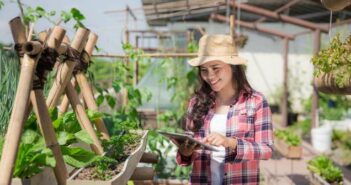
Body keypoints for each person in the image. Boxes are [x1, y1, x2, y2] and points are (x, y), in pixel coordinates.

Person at [171, 34, 273, 185]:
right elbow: (188, 146)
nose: (210, 76)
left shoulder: (255, 102)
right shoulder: (196, 103)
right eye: (204, 70)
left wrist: (230, 142)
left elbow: (266, 150)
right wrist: (185, 152)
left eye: (216, 68)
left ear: (233, 67)